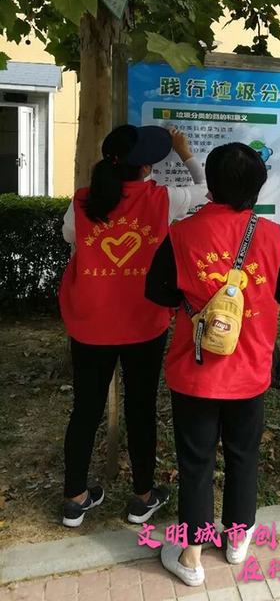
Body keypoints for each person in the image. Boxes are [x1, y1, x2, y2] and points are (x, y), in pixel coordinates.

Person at [145, 142, 280, 587]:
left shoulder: (181, 234)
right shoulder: (272, 235)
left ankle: (191, 556)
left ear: (210, 185)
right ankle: (236, 538)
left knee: (195, 461)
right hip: (251, 369)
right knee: (243, 454)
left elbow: (157, 293)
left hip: (195, 370)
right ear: (257, 186)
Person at [59, 124, 205, 528]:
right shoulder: (163, 198)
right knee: (141, 407)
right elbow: (207, 190)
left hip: (90, 323)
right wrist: (185, 151)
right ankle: (142, 497)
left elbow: (70, 235)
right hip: (143, 323)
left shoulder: (83, 200)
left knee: (85, 408)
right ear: (145, 168)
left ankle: (74, 498)